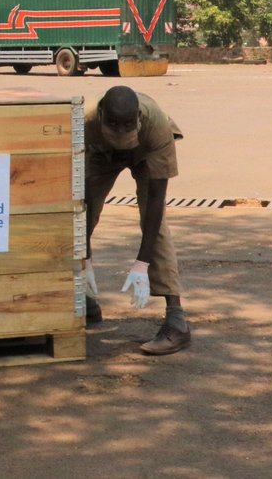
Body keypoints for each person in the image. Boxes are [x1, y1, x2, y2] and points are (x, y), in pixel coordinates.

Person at [82, 86, 190, 356]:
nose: (120, 130)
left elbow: (154, 200)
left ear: (138, 118)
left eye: (127, 125)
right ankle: (83, 300)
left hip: (146, 152)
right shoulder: (83, 122)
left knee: (156, 226)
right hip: (99, 152)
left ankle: (176, 321)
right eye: (113, 124)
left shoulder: (156, 127)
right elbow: (77, 195)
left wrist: (141, 264)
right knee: (80, 213)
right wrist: (81, 258)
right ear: (102, 115)